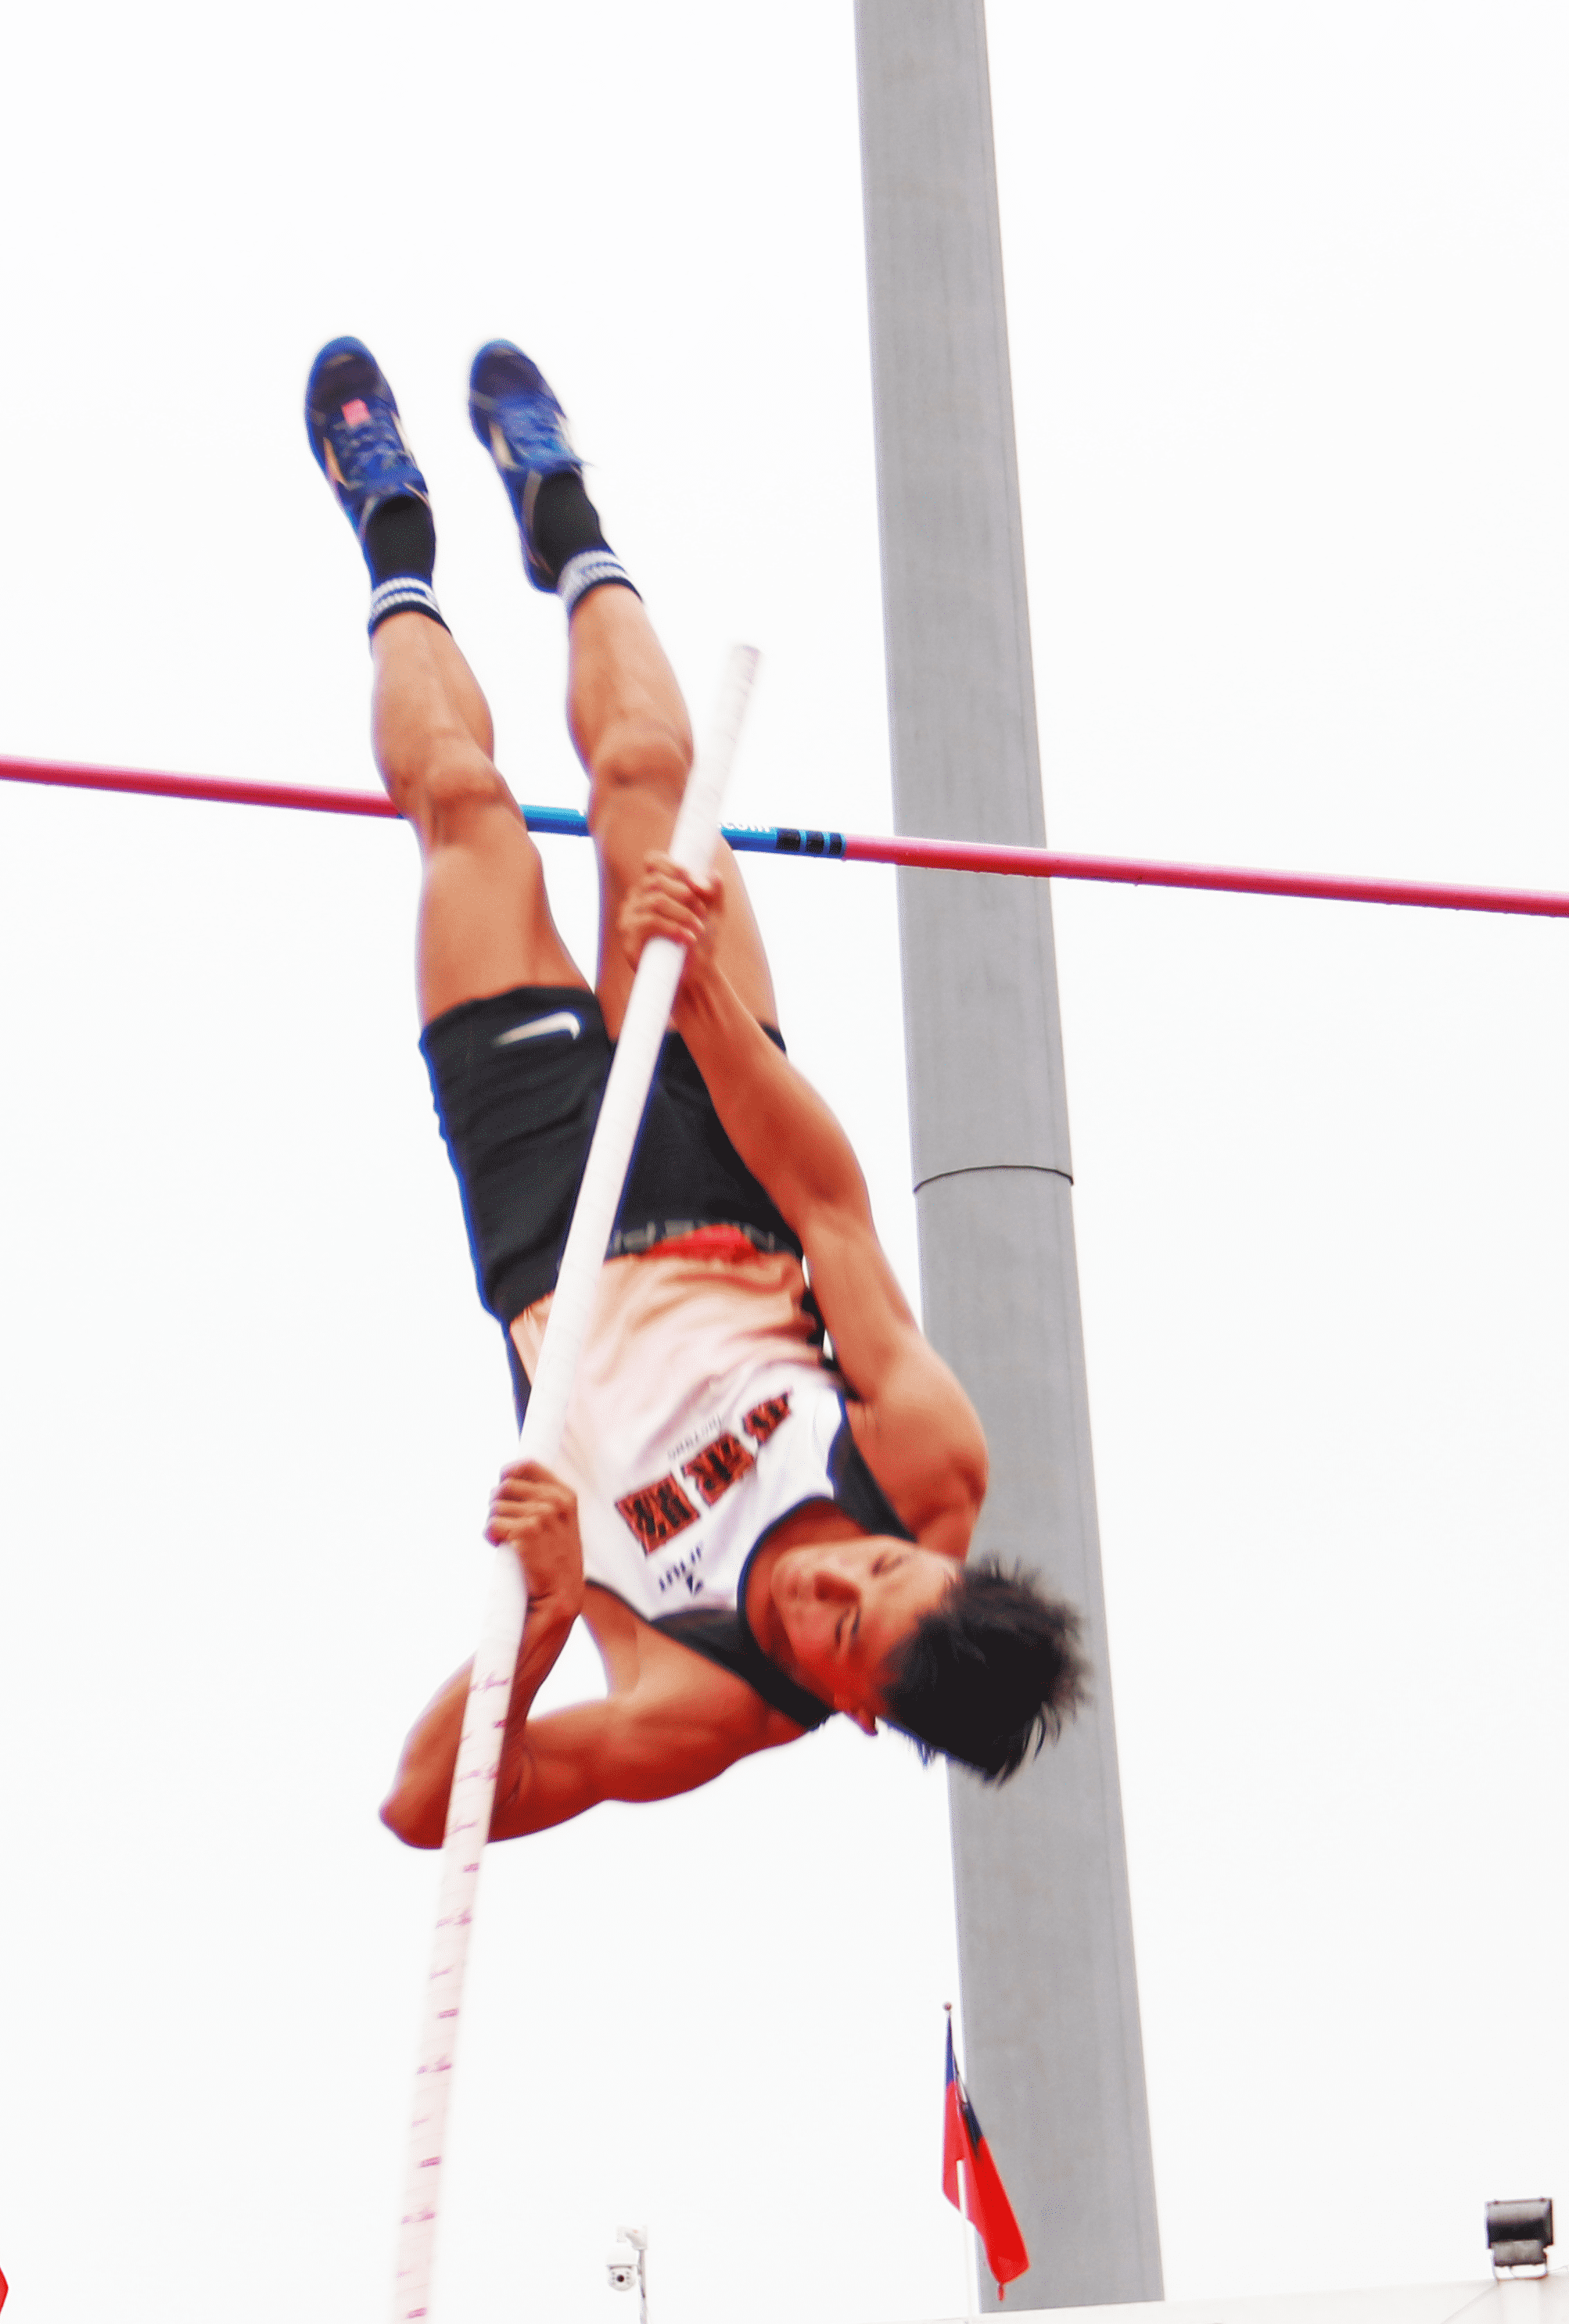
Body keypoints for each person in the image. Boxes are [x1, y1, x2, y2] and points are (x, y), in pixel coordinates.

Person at [311, 338, 1089, 1848]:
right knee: (652, 791)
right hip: (722, 1158)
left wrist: (537, 1623)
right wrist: (709, 1004)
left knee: (465, 813)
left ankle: (389, 534)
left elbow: (428, 1809)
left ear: (855, 1707)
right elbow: (827, 1203)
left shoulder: (694, 1698)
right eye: (882, 1569)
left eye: (842, 1622)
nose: (834, 1577)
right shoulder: (924, 1460)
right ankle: (568, 517)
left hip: (548, 1244)